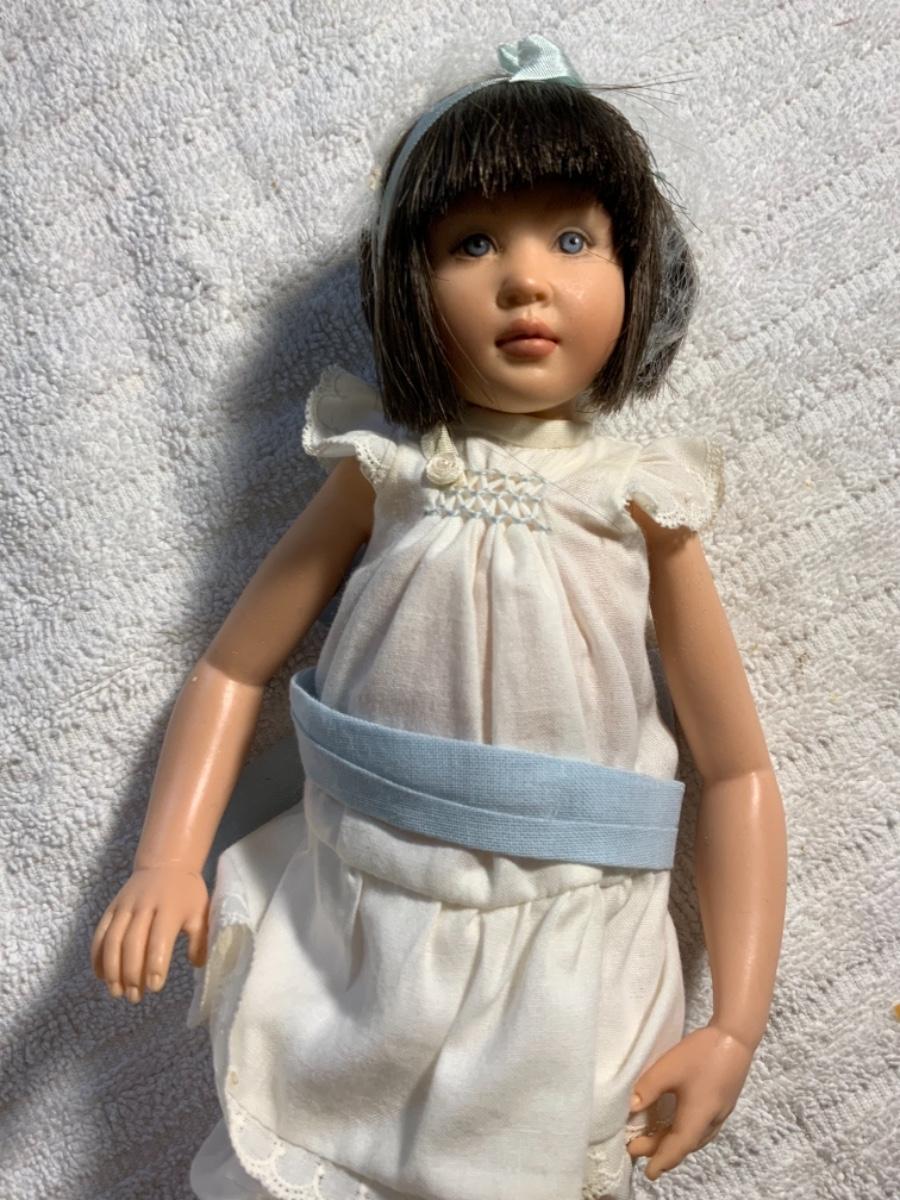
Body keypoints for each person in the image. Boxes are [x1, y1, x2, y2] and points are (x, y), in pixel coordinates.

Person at [90, 33, 788, 1200]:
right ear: (407, 283)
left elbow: (737, 771)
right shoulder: (385, 473)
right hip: (355, 922)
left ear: (639, 268)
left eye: (573, 239)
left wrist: (737, 1023)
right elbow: (230, 668)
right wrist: (166, 859)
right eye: (473, 243)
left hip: (566, 954)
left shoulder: (642, 502)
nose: (527, 281)